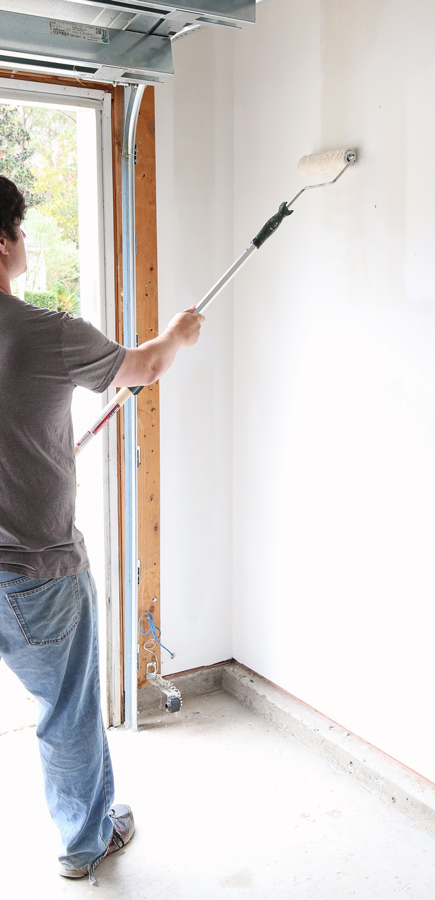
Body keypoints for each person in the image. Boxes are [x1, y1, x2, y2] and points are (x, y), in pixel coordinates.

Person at [0, 175, 204, 883]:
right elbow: (142, 366)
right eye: (21, 229)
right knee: (67, 712)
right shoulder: (47, 334)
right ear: (3, 241)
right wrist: (178, 334)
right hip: (36, 574)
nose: (25, 240)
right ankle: (86, 844)